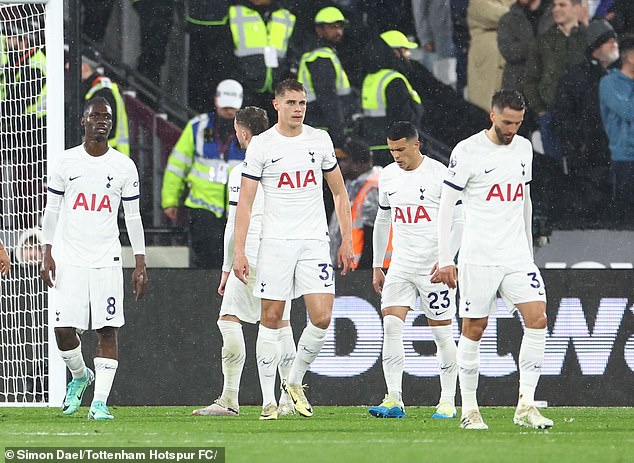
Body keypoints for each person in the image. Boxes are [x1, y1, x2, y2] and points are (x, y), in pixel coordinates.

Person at [233, 78, 354, 419]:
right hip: (275, 243)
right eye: (291, 103)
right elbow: (245, 202)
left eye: (302, 103)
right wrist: (240, 252)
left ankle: (294, 380)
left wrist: (347, 239)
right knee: (271, 318)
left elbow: (340, 193)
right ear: (276, 105)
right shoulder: (262, 146)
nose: (298, 109)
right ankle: (268, 402)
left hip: (314, 242)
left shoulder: (320, 140)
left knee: (322, 317)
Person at [432, 89, 553, 430]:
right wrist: (446, 258)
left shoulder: (524, 149)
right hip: (478, 255)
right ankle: (470, 410)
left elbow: (524, 200)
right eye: (506, 122)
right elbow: (446, 207)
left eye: (517, 123)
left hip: (515, 255)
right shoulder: (468, 151)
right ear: (492, 115)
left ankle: (526, 405)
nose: (512, 129)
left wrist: (528, 252)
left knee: (538, 318)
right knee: (475, 328)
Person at [40, 97, 148, 421]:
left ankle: (99, 402)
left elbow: (133, 217)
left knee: (107, 329)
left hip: (106, 258)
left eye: (107, 117)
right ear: (83, 121)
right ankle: (79, 376)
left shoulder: (124, 166)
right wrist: (47, 251)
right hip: (69, 256)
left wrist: (140, 263)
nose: (102, 121)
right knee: (62, 329)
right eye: (96, 116)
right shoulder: (65, 163)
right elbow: (52, 211)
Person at [192, 106, 296, 419]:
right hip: (283, 250)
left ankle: (229, 399)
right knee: (281, 325)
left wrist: (228, 265)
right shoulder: (288, 165)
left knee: (229, 319)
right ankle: (291, 398)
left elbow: (235, 222)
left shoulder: (242, 171)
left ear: (243, 133)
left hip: (250, 251)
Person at [368, 121, 463, 420]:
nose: (395, 155)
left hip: (433, 267)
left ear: (416, 144)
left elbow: (459, 220)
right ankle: (394, 398)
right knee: (392, 326)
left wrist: (447, 258)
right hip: (400, 265)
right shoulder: (388, 176)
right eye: (391, 149)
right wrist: (377, 263)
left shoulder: (439, 175)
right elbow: (383, 221)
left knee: (442, 335)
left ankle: (447, 401)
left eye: (400, 149)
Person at [161, 79, 244, 269]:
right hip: (203, 209)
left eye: (232, 108)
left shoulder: (250, 131)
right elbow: (177, 165)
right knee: (206, 266)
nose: (229, 111)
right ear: (216, 101)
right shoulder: (197, 127)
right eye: (225, 107)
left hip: (238, 211)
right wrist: (170, 200)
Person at [523, 0, 587, 166]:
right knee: (554, 170)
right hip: (550, 114)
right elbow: (530, 79)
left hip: (582, 116)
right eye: (555, 5)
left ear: (576, 8)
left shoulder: (588, 38)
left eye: (562, 5)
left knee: (583, 169)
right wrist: (540, 110)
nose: (556, 9)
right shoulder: (542, 41)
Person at [551, 19, 618, 174]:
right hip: (589, 159)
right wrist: (581, 144)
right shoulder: (576, 77)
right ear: (595, 46)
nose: (614, 44)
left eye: (614, 40)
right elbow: (562, 116)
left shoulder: (624, 73)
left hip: (618, 155)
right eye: (608, 41)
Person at [359, 30, 423, 166]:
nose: (408, 54)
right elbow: (403, 118)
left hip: (375, 146)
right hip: (394, 150)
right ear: (395, 52)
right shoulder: (394, 80)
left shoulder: (370, 78)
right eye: (405, 50)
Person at [297, 6, 355, 149]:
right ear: (319, 30)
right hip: (324, 128)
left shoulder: (317, 54)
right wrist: (340, 134)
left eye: (340, 26)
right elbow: (328, 99)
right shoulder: (321, 58)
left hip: (318, 125)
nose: (338, 31)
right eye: (332, 27)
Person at [328, 138, 384, 270]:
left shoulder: (374, 187)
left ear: (359, 163)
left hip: (361, 267)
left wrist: (365, 267)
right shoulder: (351, 184)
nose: (340, 164)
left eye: (345, 160)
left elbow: (374, 233)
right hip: (349, 264)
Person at [599, 35, 634, 208]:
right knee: (625, 218)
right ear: (630, 57)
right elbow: (629, 112)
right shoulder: (610, 83)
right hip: (625, 157)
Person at [465, 0, 514, 111]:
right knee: (485, 109)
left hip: (509, 63)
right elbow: (492, 14)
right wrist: (516, 11)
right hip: (486, 61)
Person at [81, 47, 130, 156]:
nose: (67, 66)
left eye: (72, 63)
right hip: (109, 154)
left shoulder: (102, 92)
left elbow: (99, 128)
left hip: (105, 155)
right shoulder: (100, 88)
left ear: (85, 67)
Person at [497, 0, 554, 92]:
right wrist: (537, 47)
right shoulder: (508, 19)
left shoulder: (556, 15)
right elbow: (508, 50)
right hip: (517, 86)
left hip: (549, 86)